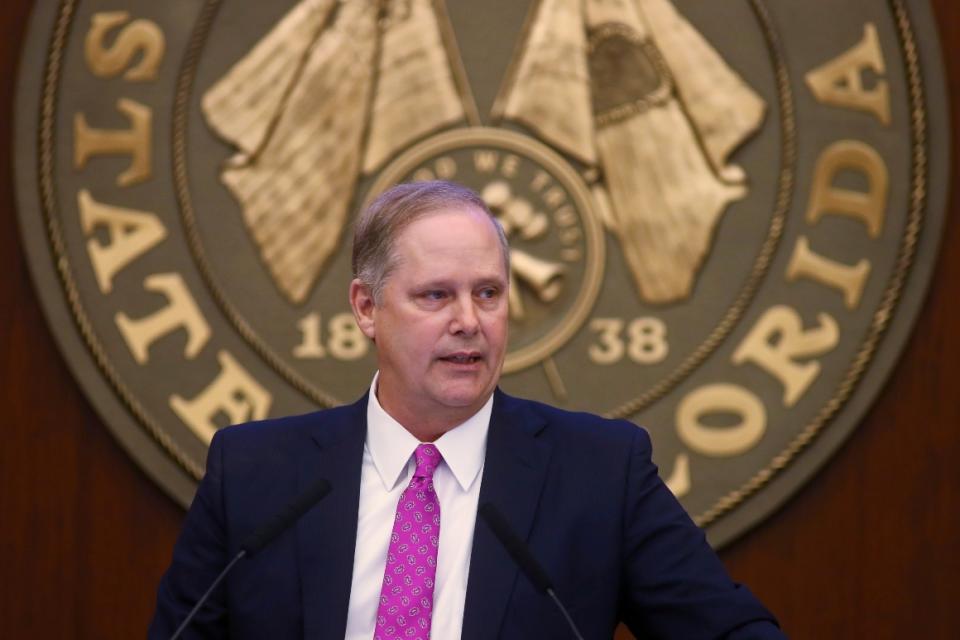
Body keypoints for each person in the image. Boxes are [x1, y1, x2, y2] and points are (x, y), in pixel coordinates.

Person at [149, 181, 786, 639]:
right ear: (366, 308)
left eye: (488, 293)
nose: (468, 322)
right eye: (435, 296)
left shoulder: (599, 472)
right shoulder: (257, 475)